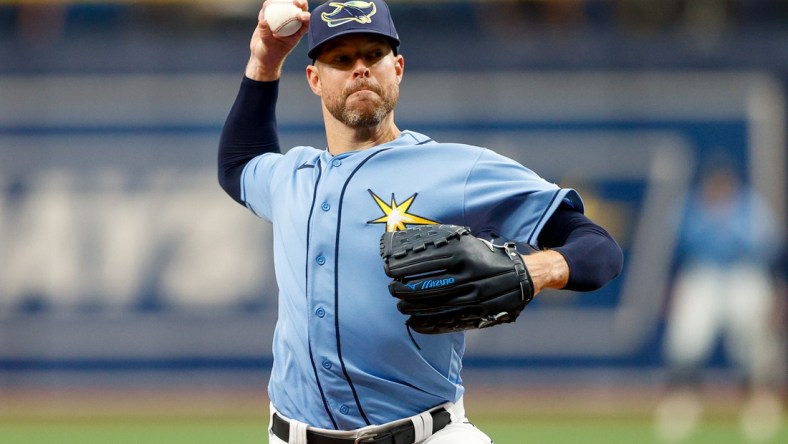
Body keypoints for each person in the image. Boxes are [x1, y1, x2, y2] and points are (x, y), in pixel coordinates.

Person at [217, 1, 623, 443]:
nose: (360, 69)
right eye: (341, 58)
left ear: (398, 67)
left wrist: (537, 269)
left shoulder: (457, 169)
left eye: (373, 54)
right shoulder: (292, 176)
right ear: (315, 79)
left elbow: (598, 247)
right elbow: (239, 164)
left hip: (426, 434)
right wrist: (265, 60)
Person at [654, 156, 785, 443]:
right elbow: (675, 253)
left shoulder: (751, 206)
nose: (719, 189)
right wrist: (670, 289)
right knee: (688, 338)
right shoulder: (691, 206)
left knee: (755, 342)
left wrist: (777, 294)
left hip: (744, 273)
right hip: (702, 273)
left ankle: (760, 401)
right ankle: (683, 401)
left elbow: (773, 254)